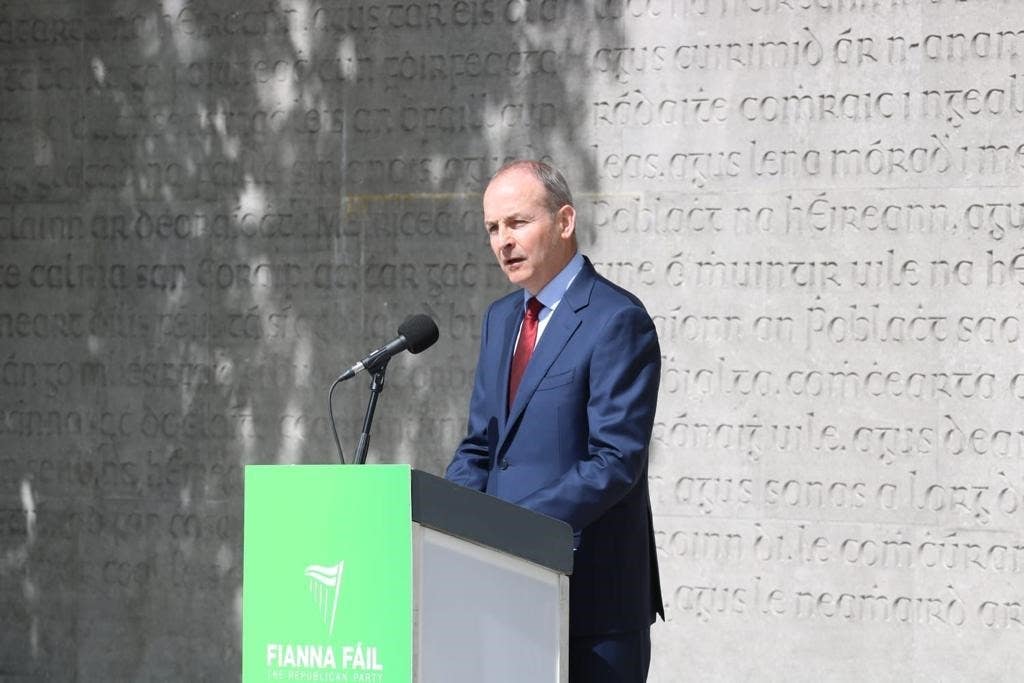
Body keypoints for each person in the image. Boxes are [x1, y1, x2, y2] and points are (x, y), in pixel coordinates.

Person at [445, 160, 663, 682]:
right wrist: (451, 522)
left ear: (564, 221)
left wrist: (510, 526)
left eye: (517, 223)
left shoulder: (616, 320)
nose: (503, 242)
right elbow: (481, 445)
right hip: (504, 591)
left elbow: (615, 461)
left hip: (593, 605)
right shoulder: (501, 320)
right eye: (493, 229)